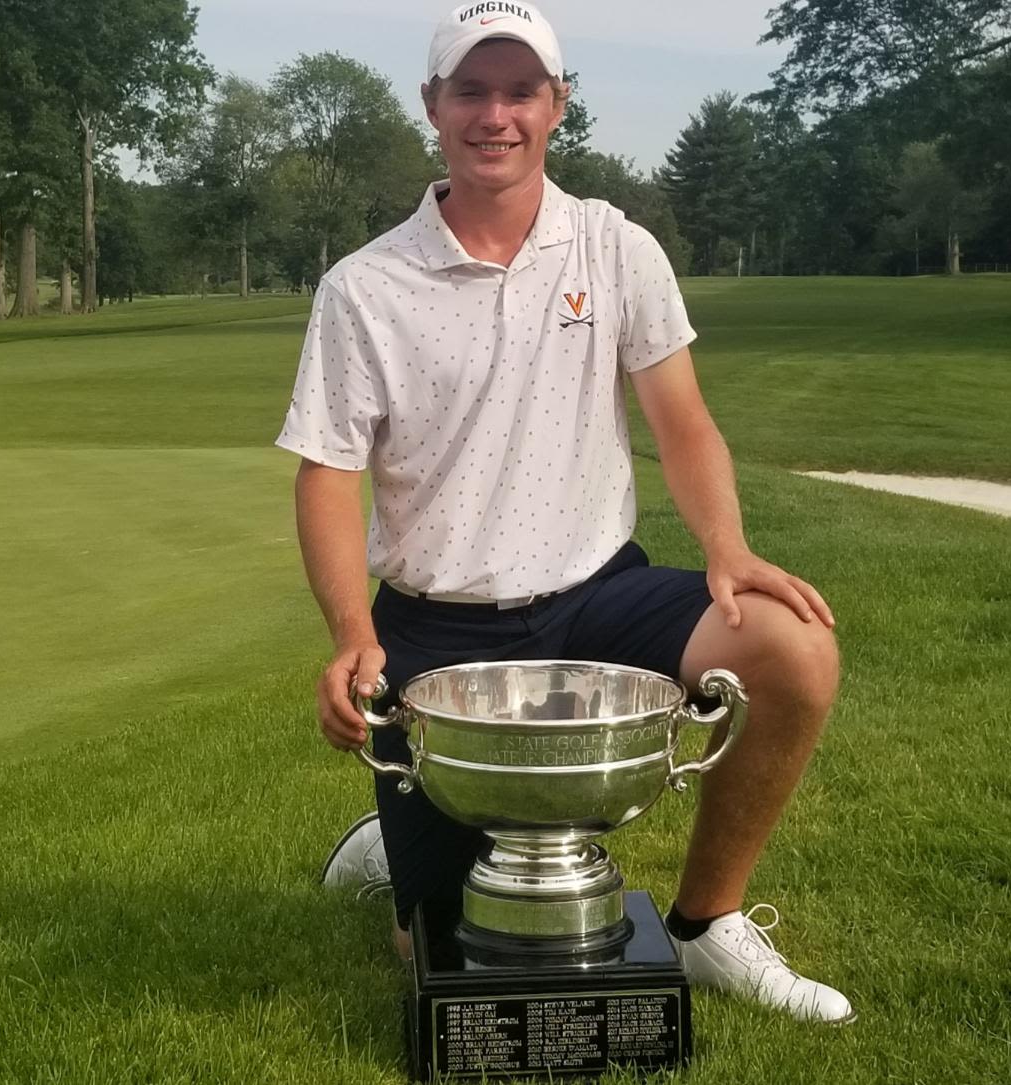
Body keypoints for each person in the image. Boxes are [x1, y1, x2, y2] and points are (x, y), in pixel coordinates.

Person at [277, 1, 853, 1025]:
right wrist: (352, 635)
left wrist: (729, 548)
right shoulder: (364, 286)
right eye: (471, 90)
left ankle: (707, 923)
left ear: (558, 106)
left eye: (520, 91)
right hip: (436, 620)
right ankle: (395, 833)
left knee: (793, 645)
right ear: (433, 107)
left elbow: (680, 419)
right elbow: (327, 475)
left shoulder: (614, 246)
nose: (495, 114)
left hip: (600, 592)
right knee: (435, 939)